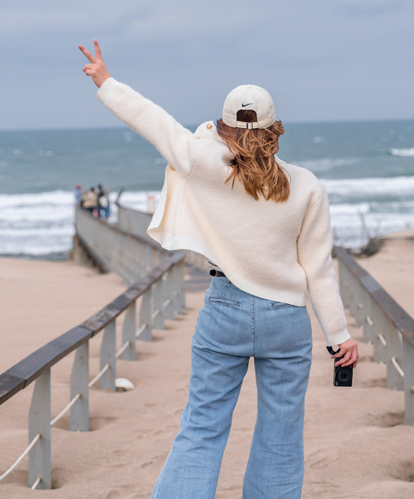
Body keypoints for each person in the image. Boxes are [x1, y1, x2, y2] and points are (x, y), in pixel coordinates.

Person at [79, 39, 359, 499]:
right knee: (282, 437)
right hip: (286, 318)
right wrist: (338, 335)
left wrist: (106, 82)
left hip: (225, 309)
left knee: (203, 428)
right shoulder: (307, 186)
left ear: (224, 128)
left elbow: (155, 122)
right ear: (276, 130)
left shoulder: (202, 160)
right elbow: (318, 269)